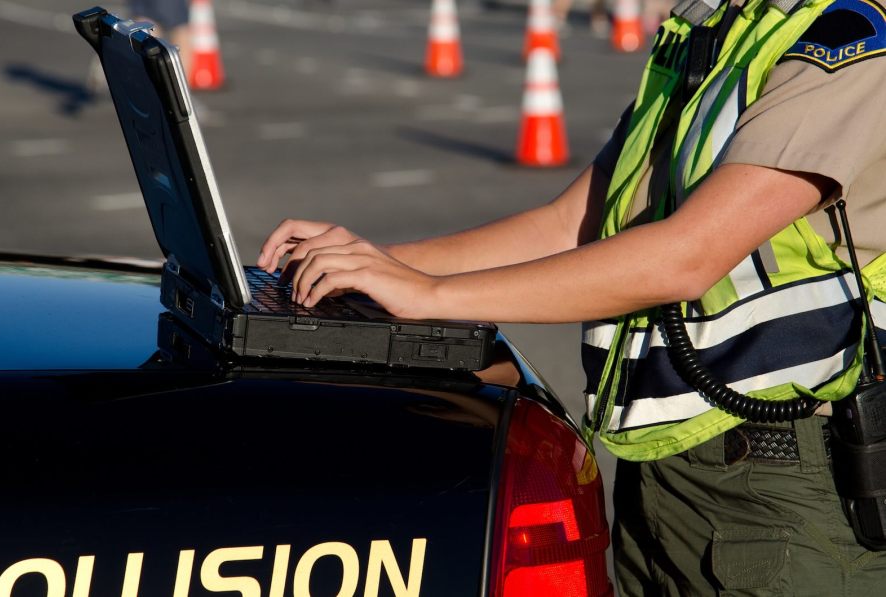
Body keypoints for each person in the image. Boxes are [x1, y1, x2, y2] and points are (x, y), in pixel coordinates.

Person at [257, 0, 886, 591]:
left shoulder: (850, 37)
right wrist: (374, 264)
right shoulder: (714, 26)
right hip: (665, 470)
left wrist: (427, 293)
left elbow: (688, 257)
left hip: (788, 486)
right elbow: (572, 222)